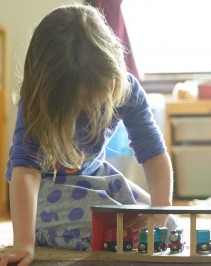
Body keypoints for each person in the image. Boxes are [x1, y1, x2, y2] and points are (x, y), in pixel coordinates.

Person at [0, 4, 177, 265]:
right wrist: (24, 242)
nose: (90, 106)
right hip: (45, 190)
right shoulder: (37, 97)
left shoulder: (126, 89)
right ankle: (43, 232)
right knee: (109, 221)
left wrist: (159, 219)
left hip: (97, 177)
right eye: (80, 99)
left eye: (97, 94)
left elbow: (154, 155)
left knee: (169, 223)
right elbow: (25, 171)